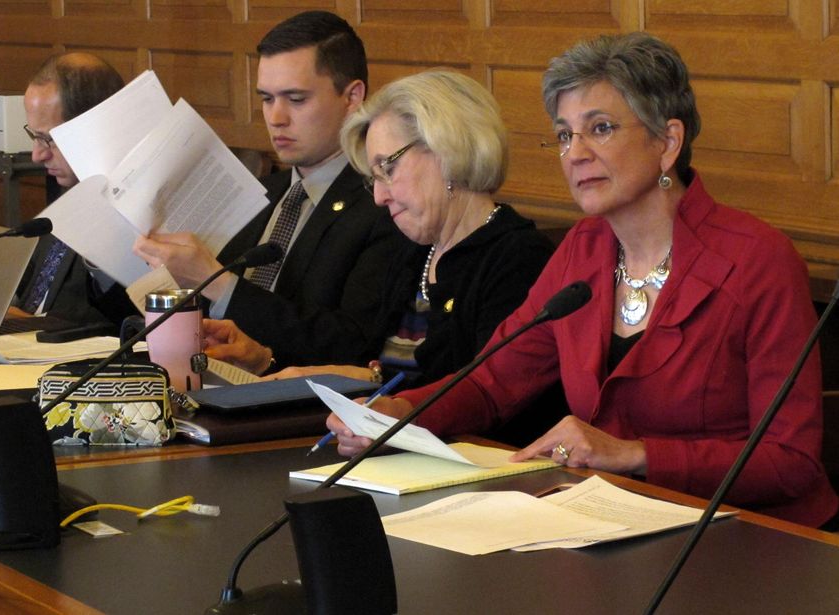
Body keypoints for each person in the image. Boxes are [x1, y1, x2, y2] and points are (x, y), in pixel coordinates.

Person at [328, 32, 839, 527]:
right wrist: (398, 413)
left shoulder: (757, 261)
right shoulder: (583, 249)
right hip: (622, 524)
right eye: (564, 135)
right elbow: (491, 382)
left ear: (667, 142)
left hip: (757, 539)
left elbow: (790, 462)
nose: (575, 154)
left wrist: (635, 454)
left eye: (601, 128)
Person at [201, 70, 553, 390]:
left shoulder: (519, 259)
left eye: (388, 168)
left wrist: (370, 383)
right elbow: (362, 365)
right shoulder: (414, 252)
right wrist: (264, 361)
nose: (380, 197)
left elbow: (478, 398)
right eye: (374, 179)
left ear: (447, 150)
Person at [132, 11, 407, 371]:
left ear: (352, 97)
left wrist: (219, 284)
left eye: (296, 99)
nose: (276, 118)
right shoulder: (260, 192)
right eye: (266, 98)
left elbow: (352, 343)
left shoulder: (384, 203)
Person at [12, 52, 135, 326]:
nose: (36, 155)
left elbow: (118, 319)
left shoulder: (134, 206)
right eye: (34, 136)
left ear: (93, 127)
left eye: (49, 139)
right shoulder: (67, 185)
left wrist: (29, 325)